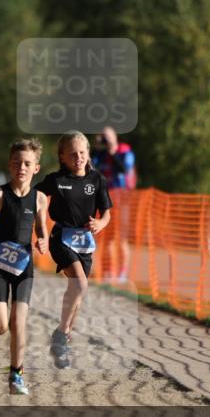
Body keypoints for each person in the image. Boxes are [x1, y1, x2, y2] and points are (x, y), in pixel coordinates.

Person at [0, 138, 49, 394]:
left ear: (36, 168)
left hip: (24, 268)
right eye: (16, 162)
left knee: (18, 322)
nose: (21, 167)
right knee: (2, 324)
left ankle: (16, 375)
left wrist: (43, 240)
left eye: (27, 163)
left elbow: (42, 228)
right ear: (9, 165)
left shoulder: (40, 199)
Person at [36, 131, 112, 369]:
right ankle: (61, 334)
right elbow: (34, 196)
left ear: (88, 153)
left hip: (85, 241)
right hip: (61, 237)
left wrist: (100, 223)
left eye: (82, 152)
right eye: (72, 154)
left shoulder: (97, 180)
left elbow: (106, 213)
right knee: (80, 284)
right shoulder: (56, 179)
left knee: (77, 292)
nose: (78, 157)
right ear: (62, 157)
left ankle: (62, 340)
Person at [92, 127, 136, 281]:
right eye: (103, 136)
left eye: (108, 136)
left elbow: (123, 169)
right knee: (107, 238)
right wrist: (97, 147)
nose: (105, 139)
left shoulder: (125, 152)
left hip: (122, 201)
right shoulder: (100, 155)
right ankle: (107, 271)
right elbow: (90, 168)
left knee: (122, 238)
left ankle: (122, 272)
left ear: (115, 137)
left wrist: (112, 151)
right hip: (105, 201)